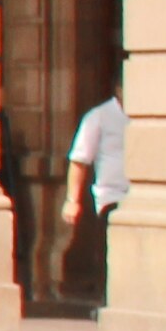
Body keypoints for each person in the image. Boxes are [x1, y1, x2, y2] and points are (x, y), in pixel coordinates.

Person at [60, 86, 129, 308]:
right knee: (110, 254)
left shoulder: (149, 116)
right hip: (111, 196)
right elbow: (79, 160)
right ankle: (109, 301)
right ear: (118, 89)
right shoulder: (99, 117)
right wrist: (73, 200)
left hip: (140, 196)